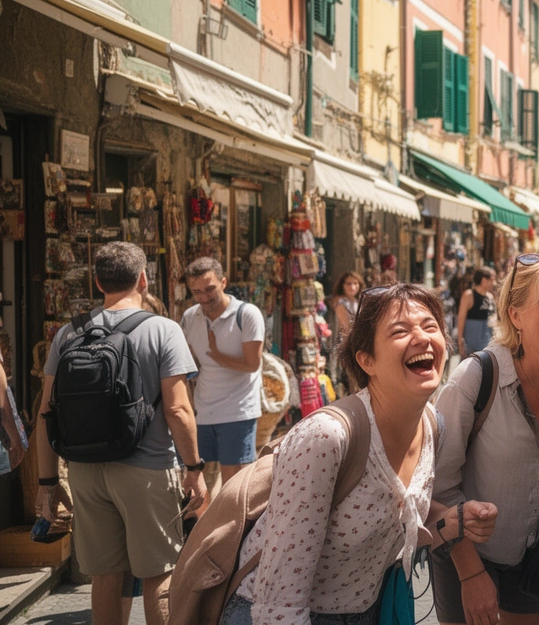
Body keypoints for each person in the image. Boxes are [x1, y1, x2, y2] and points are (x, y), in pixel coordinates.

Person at [218, 283, 498, 624]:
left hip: (367, 610)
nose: (423, 338)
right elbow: (280, 597)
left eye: (430, 326)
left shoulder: (431, 424)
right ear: (367, 361)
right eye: (400, 330)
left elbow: (390, 512)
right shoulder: (325, 438)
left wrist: (454, 519)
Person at [34, 242, 206, 625]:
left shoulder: (67, 334)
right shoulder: (164, 329)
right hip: (146, 470)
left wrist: (47, 482)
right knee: (159, 574)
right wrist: (194, 468)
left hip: (85, 471)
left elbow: (45, 412)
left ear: (98, 282)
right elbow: (178, 409)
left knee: (105, 577)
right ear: (143, 279)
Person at [432, 252, 539, 625]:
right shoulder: (476, 378)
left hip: (536, 554)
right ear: (515, 315)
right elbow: (439, 485)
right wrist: (472, 575)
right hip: (466, 553)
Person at [181, 257, 265, 485]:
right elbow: (190, 365)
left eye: (210, 289)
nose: (204, 297)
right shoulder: (191, 317)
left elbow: (252, 365)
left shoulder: (247, 314)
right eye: (196, 292)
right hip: (202, 410)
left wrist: (217, 355)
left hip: (237, 411)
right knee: (197, 481)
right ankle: (203, 522)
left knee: (233, 485)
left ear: (224, 282)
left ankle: (236, 523)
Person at [457, 267, 497, 357]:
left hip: (488, 347)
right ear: (483, 280)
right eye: (491, 280)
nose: (494, 284)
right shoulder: (469, 295)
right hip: (472, 347)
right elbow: (461, 318)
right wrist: (460, 340)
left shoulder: (490, 297)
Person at [331, 271, 361, 341]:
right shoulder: (341, 302)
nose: (352, 287)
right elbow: (345, 328)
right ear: (342, 285)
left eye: (355, 283)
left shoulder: (356, 301)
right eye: (349, 284)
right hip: (346, 342)